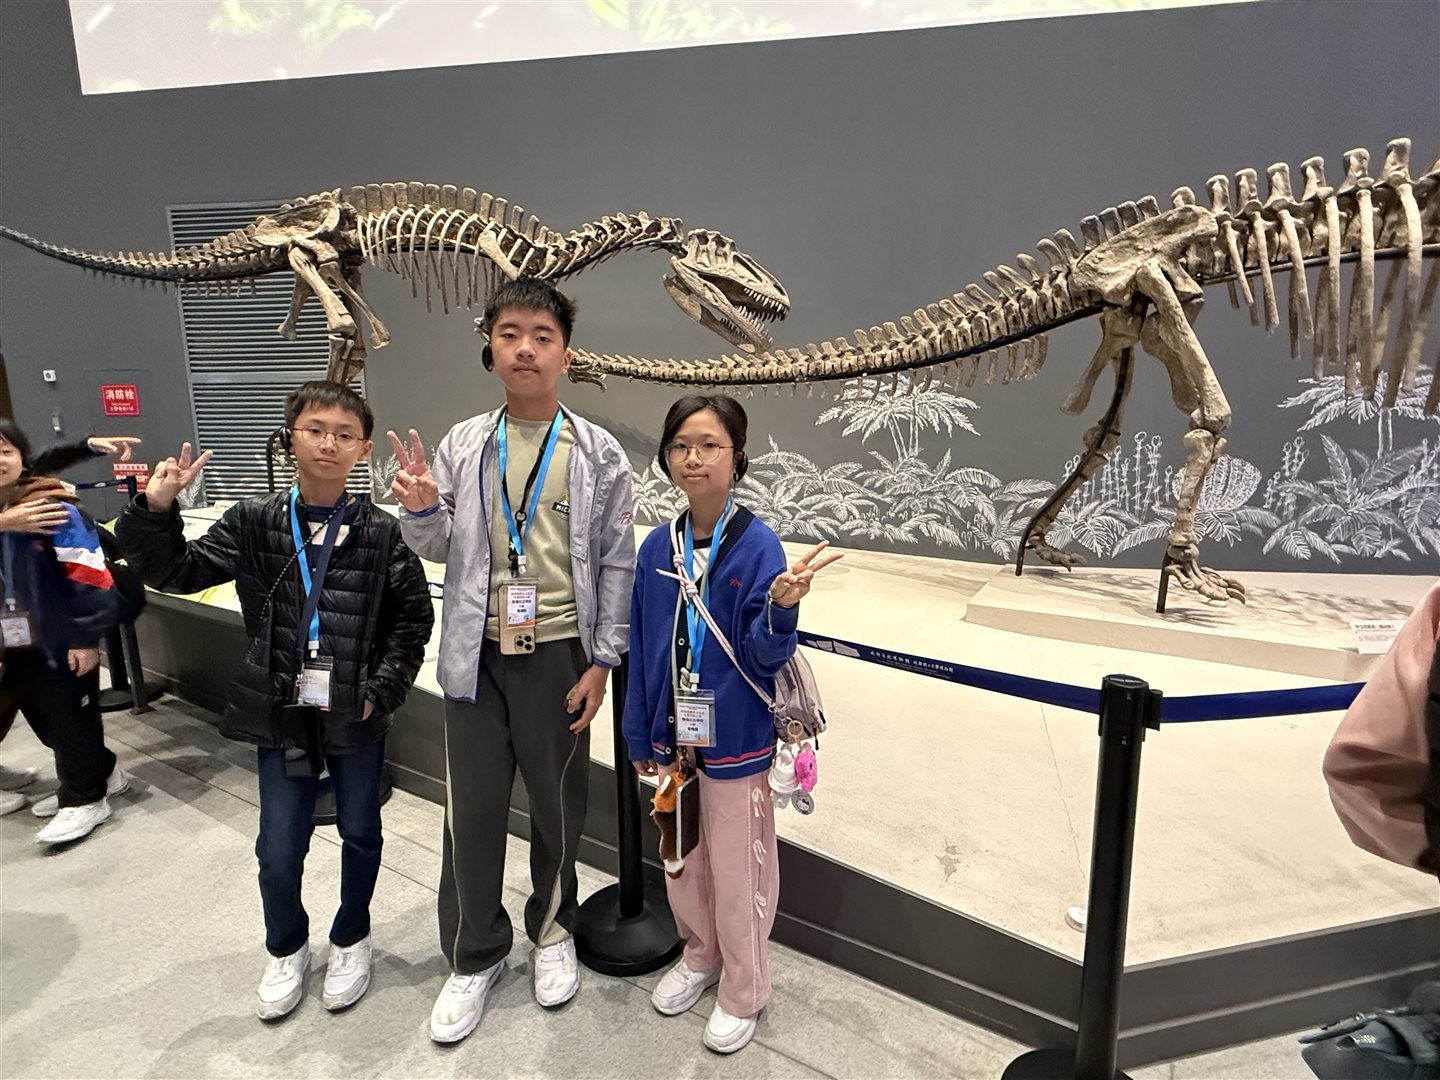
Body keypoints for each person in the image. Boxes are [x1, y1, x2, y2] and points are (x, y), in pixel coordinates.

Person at [114, 381, 433, 1020]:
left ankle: (352, 936)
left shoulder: (381, 532)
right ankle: (286, 945)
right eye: (315, 429)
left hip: (355, 709)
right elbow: (175, 571)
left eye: (344, 434)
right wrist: (154, 511)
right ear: (290, 439)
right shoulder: (255, 521)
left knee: (361, 830)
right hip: (281, 708)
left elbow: (412, 620)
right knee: (279, 844)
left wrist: (381, 693)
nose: (329, 443)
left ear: (364, 448)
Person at [388, 276, 635, 1043]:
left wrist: (603, 660)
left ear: (566, 354)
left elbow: (616, 560)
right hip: (475, 655)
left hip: (560, 653)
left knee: (559, 806)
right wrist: (420, 509)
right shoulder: (464, 444)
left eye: (542, 336)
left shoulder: (598, 452)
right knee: (471, 811)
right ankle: (477, 953)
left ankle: (553, 930)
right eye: (509, 335)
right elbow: (437, 546)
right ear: (489, 350)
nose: (525, 349)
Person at [623, 394, 842, 1054]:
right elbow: (642, 645)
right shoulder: (656, 547)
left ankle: (745, 989)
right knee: (679, 855)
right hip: (673, 741)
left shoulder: (757, 545)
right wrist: (640, 732)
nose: (694, 457)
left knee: (739, 866)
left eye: (709, 445)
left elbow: (762, 657)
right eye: (681, 445)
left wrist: (781, 609)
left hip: (737, 742)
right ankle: (700, 955)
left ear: (736, 458)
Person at [0, 432, 141, 808]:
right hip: (15, 635)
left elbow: (87, 576)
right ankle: (101, 772)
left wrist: (85, 638)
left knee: (68, 716)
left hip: (56, 632)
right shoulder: (9, 512)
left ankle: (84, 796)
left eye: (5, 451)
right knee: (44, 716)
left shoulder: (48, 506)